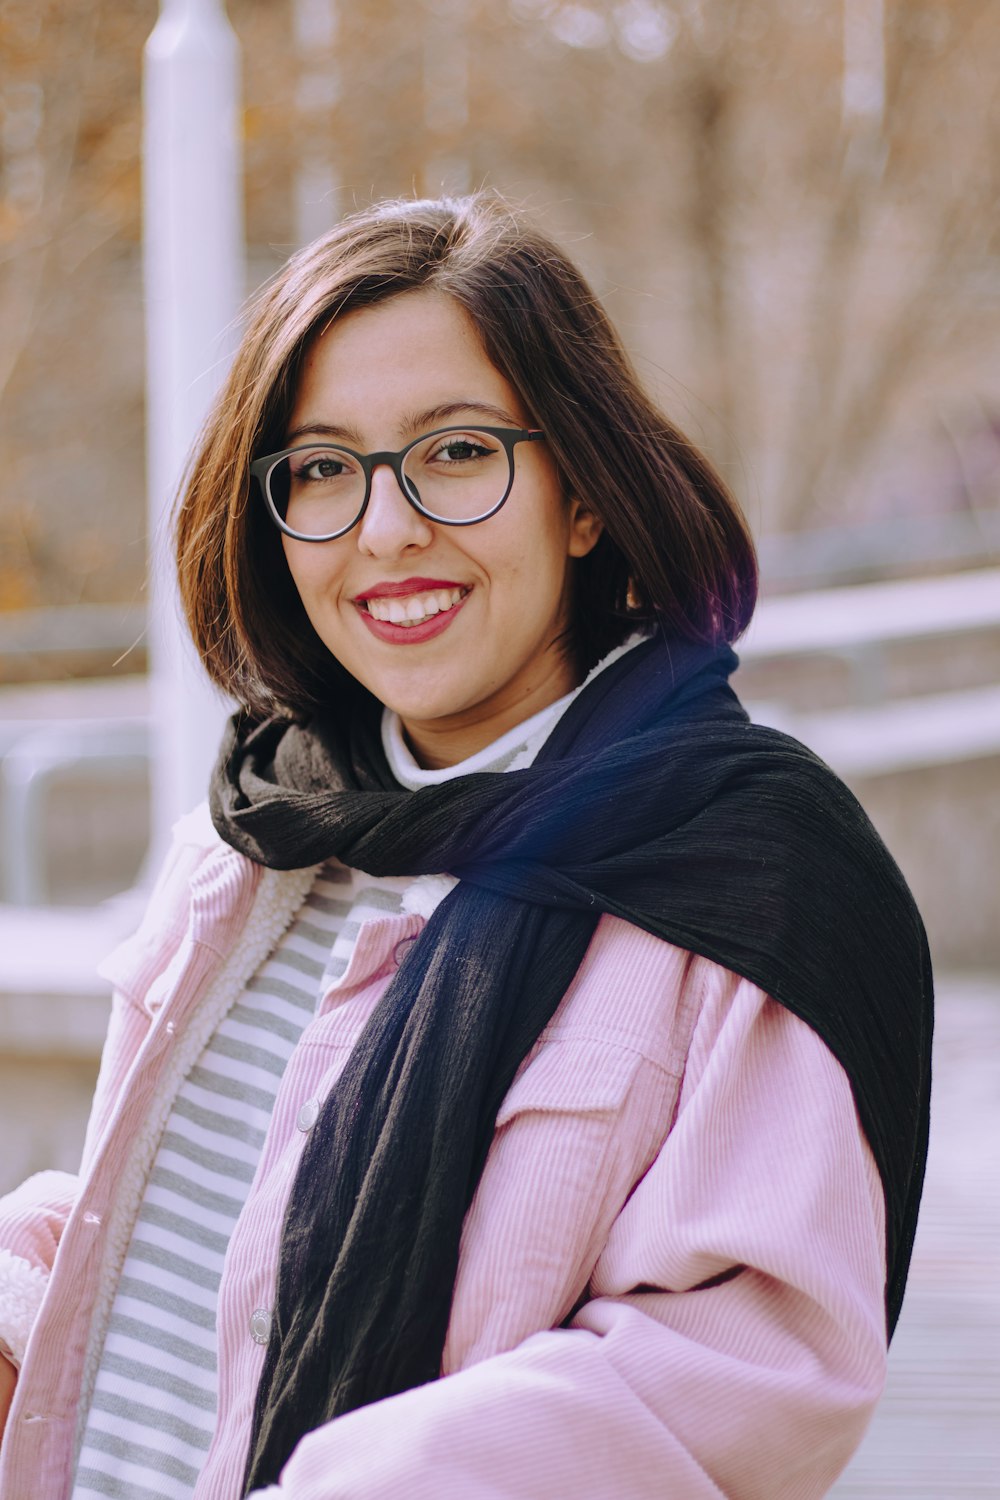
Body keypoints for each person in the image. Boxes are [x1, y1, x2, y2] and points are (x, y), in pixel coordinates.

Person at [0, 194, 932, 1500]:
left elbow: (742, 1383)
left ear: (584, 496)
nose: (384, 529)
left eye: (453, 453)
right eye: (320, 468)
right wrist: (26, 1294)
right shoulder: (253, 838)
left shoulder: (750, 874)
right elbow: (216, 1235)